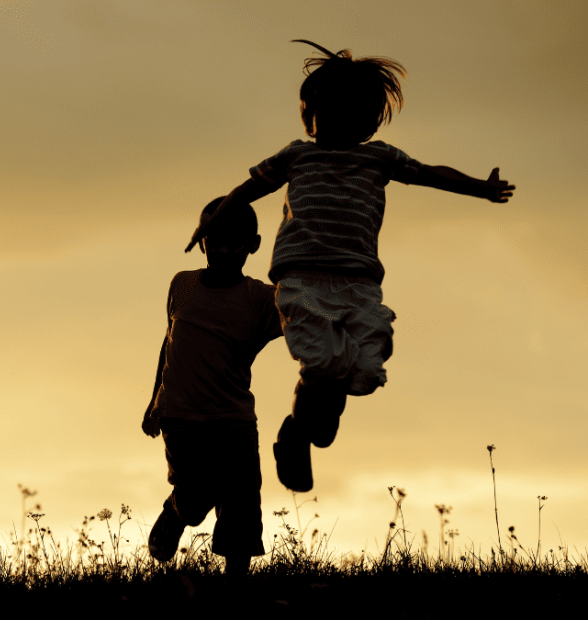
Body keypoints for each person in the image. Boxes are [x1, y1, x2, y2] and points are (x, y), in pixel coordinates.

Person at [184, 40, 515, 494]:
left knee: (365, 367)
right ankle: (296, 436)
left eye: (346, 115)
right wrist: (211, 223)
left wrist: (479, 188)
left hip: (360, 282)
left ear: (367, 122)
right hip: (303, 279)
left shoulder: (379, 158)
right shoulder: (297, 156)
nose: (332, 123)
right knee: (323, 362)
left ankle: (308, 427)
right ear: (309, 116)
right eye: (323, 113)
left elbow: (430, 173)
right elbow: (245, 191)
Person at [142, 196, 284, 582]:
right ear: (201, 241)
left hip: (234, 419)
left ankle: (234, 588)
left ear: (253, 245)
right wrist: (154, 400)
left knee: (241, 500)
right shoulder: (182, 284)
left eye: (234, 243)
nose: (223, 250)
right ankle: (177, 511)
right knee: (195, 493)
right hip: (180, 415)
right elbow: (170, 343)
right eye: (214, 241)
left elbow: (305, 320)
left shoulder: (262, 300)